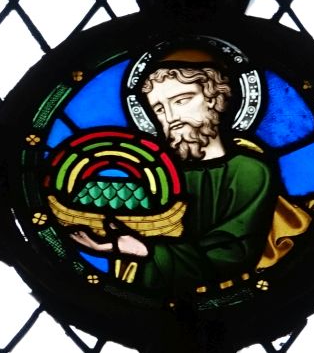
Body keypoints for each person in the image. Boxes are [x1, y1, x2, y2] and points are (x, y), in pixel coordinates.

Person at [69, 62, 277, 291]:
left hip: (227, 293)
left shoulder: (249, 170)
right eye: (158, 109)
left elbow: (233, 253)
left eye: (181, 100)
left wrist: (144, 250)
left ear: (213, 98)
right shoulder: (157, 175)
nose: (170, 117)